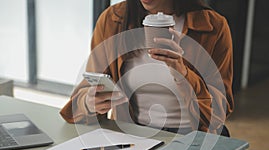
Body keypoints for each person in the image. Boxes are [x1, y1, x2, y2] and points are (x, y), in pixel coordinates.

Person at [60, 0, 234, 136]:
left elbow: (218, 112)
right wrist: (88, 102)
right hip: (130, 135)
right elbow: (84, 94)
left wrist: (182, 73)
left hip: (191, 137)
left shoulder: (213, 27)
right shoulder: (113, 20)